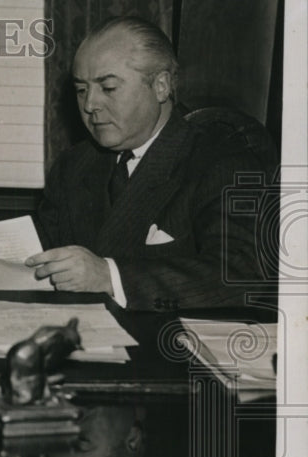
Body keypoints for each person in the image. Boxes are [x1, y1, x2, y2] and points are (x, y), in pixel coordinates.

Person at [27, 16, 273, 311]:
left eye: (108, 88)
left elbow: (240, 276)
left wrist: (110, 277)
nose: (90, 104)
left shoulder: (223, 162)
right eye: (81, 90)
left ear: (161, 86)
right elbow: (40, 255)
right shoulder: (73, 165)